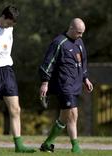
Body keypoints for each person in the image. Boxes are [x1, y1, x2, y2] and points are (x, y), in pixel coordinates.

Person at [0, 5, 36, 153]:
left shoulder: (10, 28)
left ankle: (19, 146)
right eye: (9, 23)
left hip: (7, 71)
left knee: (16, 109)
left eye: (12, 24)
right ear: (3, 17)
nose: (10, 26)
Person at [39, 18, 93, 153]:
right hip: (64, 84)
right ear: (71, 28)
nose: (81, 36)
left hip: (76, 84)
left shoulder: (79, 42)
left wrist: (85, 79)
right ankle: (75, 146)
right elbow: (47, 63)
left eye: (82, 33)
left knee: (67, 116)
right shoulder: (59, 42)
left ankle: (47, 143)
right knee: (72, 113)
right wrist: (45, 83)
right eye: (79, 32)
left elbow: (83, 62)